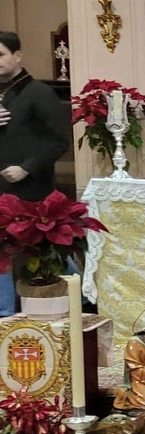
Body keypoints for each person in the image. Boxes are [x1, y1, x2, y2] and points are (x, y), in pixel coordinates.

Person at [0, 31, 72, 317]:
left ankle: (32, 307)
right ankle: (4, 310)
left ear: (18, 56)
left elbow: (58, 141)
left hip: (29, 188)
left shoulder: (39, 93)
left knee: (26, 253)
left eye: (1, 55)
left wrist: (26, 167)